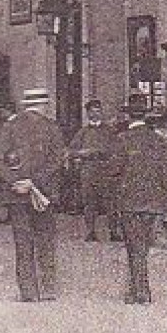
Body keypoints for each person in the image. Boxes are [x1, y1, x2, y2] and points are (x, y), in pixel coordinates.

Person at [0, 88, 66, 302]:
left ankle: (28, 291)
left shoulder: (10, 127)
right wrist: (36, 181)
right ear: (44, 105)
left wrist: (16, 181)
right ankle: (48, 287)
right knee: (45, 239)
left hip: (17, 194)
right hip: (44, 194)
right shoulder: (51, 127)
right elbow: (58, 159)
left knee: (23, 243)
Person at [109, 110, 167, 304]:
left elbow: (114, 170)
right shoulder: (160, 141)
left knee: (134, 247)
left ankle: (140, 291)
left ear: (128, 116)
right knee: (143, 247)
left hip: (130, 201)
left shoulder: (121, 140)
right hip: (154, 202)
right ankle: (138, 288)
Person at [69, 99, 116, 241]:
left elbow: (116, 149)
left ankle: (114, 231)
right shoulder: (83, 133)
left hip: (106, 170)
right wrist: (83, 153)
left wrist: (102, 152)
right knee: (89, 202)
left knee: (111, 202)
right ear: (88, 113)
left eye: (98, 111)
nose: (96, 114)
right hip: (88, 170)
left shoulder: (109, 131)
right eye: (93, 111)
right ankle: (91, 231)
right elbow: (71, 151)